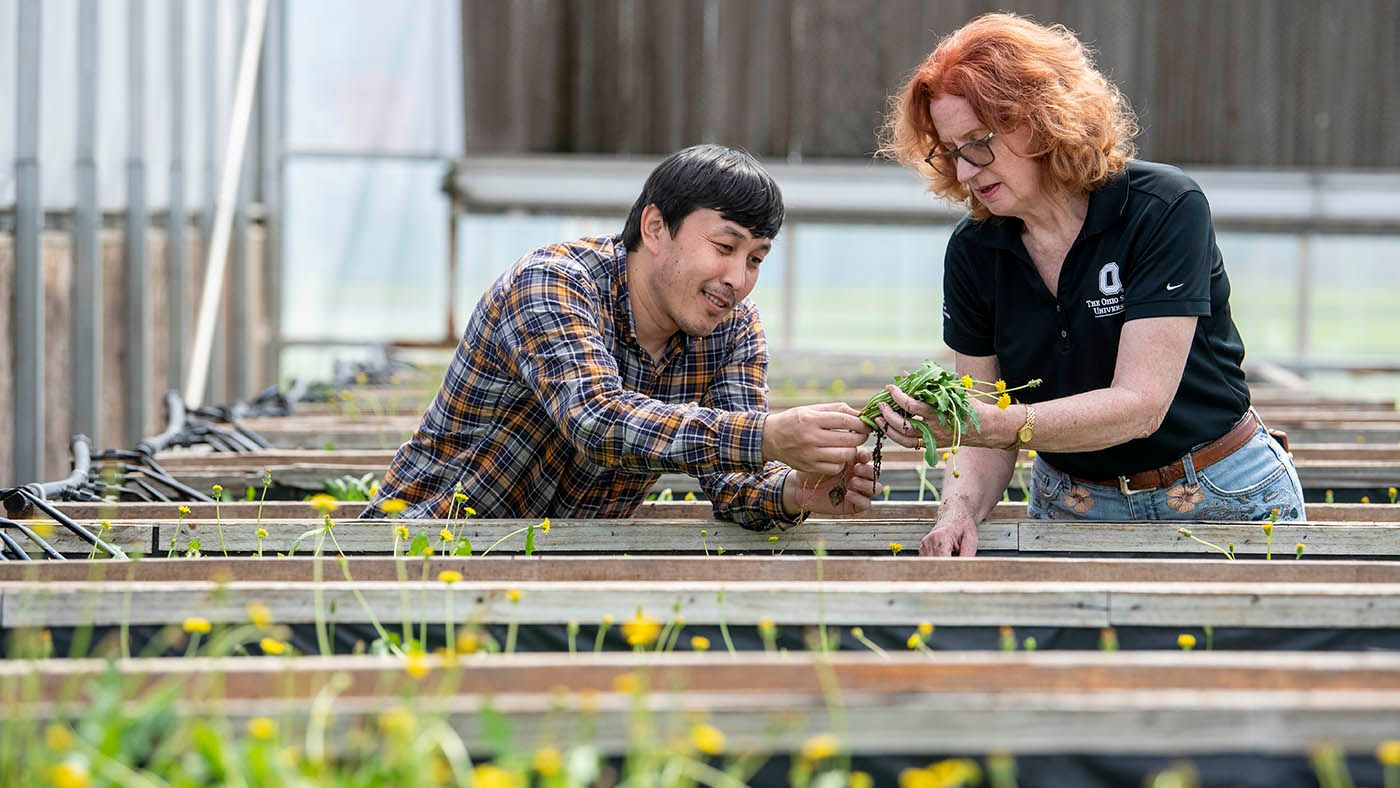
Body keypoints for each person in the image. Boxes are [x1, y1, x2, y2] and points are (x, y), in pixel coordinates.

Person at [877, 13, 1305, 556]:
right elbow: (983, 426)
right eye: (951, 151)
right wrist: (956, 512)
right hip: (1071, 503)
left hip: (1220, 494)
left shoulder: (1161, 209)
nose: (964, 172)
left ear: (1041, 117)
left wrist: (990, 424)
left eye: (978, 143)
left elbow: (1140, 405)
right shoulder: (975, 252)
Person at [364, 144, 876, 528]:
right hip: (416, 552)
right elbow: (594, 419)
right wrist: (766, 436)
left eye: (756, 259)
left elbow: (732, 480)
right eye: (724, 246)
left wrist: (796, 491)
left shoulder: (733, 331)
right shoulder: (553, 281)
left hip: (570, 577)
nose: (738, 278)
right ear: (655, 228)